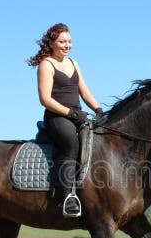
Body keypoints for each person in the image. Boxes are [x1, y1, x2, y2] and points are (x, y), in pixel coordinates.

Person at [28, 23, 104, 217]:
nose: (67, 45)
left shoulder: (73, 63)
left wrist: (98, 109)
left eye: (69, 41)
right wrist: (70, 114)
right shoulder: (47, 64)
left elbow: (84, 91)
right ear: (52, 43)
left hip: (77, 114)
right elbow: (45, 99)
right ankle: (67, 197)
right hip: (57, 117)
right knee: (70, 143)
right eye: (62, 41)